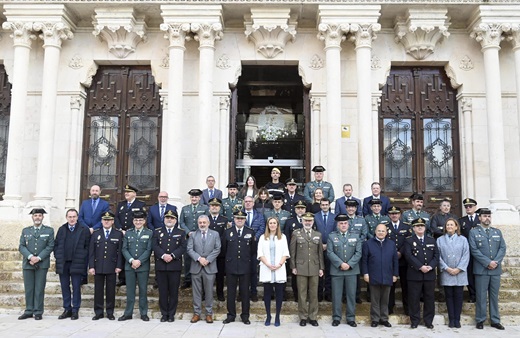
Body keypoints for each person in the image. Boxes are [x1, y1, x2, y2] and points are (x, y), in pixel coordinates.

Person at [468, 208, 506, 330]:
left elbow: (502, 248)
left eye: (488, 216)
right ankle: (480, 319)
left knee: (494, 296)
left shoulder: (497, 232)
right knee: (481, 296)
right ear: (479, 218)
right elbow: (474, 250)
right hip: (481, 270)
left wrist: (495, 262)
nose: (487, 218)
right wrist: (487, 262)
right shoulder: (473, 232)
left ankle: (495, 320)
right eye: (484, 216)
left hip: (495, 269)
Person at [18, 208, 55, 320]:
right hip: (28, 263)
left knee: (39, 288)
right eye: (35, 215)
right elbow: (21, 246)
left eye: (39, 215)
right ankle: (29, 310)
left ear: (43, 217)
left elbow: (50, 246)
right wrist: (30, 257)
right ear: (32, 217)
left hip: (42, 264)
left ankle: (38, 311)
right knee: (29, 288)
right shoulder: (26, 231)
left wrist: (38, 258)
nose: (37, 217)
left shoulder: (49, 231)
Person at [53, 209, 90, 320]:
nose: (72, 219)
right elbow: (56, 245)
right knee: (65, 287)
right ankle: (67, 309)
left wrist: (83, 258)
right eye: (70, 217)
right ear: (66, 217)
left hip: (77, 263)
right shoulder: (62, 229)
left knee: (76, 287)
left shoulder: (84, 230)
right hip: (63, 263)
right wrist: (58, 256)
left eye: (74, 216)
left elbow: (87, 247)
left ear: (77, 217)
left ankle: (75, 310)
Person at [222, 210, 257, 325]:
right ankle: (231, 315)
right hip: (231, 266)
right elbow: (224, 250)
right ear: (234, 219)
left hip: (245, 266)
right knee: (231, 293)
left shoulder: (250, 232)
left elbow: (253, 250)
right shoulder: (228, 232)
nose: (240, 220)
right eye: (237, 218)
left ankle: (245, 316)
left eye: (242, 218)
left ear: (245, 220)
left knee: (245, 292)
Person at [289, 212, 324, 327]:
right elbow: (292, 251)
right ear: (302, 221)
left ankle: (313, 317)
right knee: (302, 294)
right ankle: (303, 317)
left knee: (314, 294)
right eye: (306, 220)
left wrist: (321, 268)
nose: (308, 222)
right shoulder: (296, 234)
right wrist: (293, 266)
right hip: (301, 267)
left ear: (313, 222)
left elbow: (320, 253)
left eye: (310, 221)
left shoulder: (318, 234)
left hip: (314, 267)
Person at [327, 214, 362, 327]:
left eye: (345, 223)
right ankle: (336, 317)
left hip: (351, 270)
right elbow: (330, 252)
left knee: (351, 295)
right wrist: (341, 264)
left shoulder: (356, 236)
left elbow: (358, 253)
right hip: (337, 270)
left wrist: (349, 264)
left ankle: (351, 317)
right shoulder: (331, 236)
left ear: (349, 224)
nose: (343, 225)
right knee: (336, 295)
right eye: (341, 223)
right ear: (337, 225)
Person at [403, 217, 438, 329]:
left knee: (429, 298)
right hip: (414, 274)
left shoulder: (431, 240)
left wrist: (431, 266)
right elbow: (408, 256)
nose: (420, 228)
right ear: (413, 228)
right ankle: (415, 320)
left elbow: (436, 256)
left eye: (422, 226)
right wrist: (420, 267)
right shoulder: (408, 240)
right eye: (417, 226)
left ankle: (428, 321)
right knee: (414, 299)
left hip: (429, 274)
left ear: (425, 227)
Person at [119, 210, 153, 322]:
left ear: (144, 221)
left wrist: (139, 261)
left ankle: (144, 313)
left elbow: (149, 250)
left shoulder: (149, 233)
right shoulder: (128, 233)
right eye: (136, 220)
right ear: (133, 221)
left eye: (140, 220)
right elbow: (124, 249)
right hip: (130, 266)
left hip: (143, 267)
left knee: (143, 290)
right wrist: (132, 260)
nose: (138, 222)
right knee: (130, 291)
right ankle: (128, 313)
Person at [362, 224, 399, 328]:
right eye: (379, 231)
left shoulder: (391, 244)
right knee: (375, 299)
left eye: (383, 231)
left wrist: (395, 274)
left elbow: (395, 260)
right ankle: (375, 319)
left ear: (386, 233)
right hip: (373, 275)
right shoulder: (368, 244)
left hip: (388, 275)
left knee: (385, 299)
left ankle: (384, 318)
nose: (381, 233)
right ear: (375, 231)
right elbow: (364, 261)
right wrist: (365, 273)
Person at [153, 210, 187, 322]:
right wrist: (163, 255)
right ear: (164, 219)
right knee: (162, 291)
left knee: (173, 291)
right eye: (167, 218)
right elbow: (155, 245)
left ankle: (171, 314)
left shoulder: (181, 232)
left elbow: (183, 246)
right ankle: (164, 314)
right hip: (161, 266)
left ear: (175, 220)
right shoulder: (157, 232)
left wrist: (172, 255)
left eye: (172, 218)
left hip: (174, 266)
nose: (169, 220)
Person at [186, 215, 221, 324]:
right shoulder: (193, 235)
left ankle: (209, 313)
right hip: (196, 266)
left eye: (204, 222)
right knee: (196, 292)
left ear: (208, 223)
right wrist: (199, 258)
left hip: (209, 267)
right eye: (200, 222)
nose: (202, 224)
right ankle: (197, 313)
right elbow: (189, 249)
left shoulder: (215, 234)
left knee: (209, 291)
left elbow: (217, 248)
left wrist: (208, 260)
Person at [89, 211, 123, 320]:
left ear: (113, 221)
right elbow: (91, 252)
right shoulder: (96, 233)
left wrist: (118, 266)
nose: (106, 222)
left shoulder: (118, 234)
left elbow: (120, 252)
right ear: (101, 221)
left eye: (109, 220)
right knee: (98, 290)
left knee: (110, 290)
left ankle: (109, 312)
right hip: (98, 266)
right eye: (105, 220)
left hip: (111, 266)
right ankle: (98, 312)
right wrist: (91, 266)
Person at [437, 218, 470, 328]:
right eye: (448, 225)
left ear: (456, 227)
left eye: (452, 225)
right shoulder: (440, 240)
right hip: (447, 272)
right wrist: (446, 268)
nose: (450, 227)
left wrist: (459, 268)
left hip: (459, 273)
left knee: (459, 296)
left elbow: (466, 255)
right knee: (449, 296)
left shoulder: (463, 239)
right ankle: (451, 319)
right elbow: (438, 256)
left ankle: (457, 319)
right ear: (445, 228)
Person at [257, 217, 290, 327]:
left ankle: (277, 317)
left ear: (277, 225)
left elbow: (285, 252)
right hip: (267, 268)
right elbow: (260, 253)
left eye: (274, 223)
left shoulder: (283, 237)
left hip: (279, 269)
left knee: (279, 295)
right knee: (267, 294)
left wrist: (279, 264)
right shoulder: (263, 237)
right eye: (270, 223)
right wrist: (268, 264)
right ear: (267, 225)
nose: (272, 225)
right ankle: (268, 316)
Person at [114, 184, 146, 286]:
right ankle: (122, 278)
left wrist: (130, 230)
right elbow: (116, 218)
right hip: (122, 233)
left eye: (129, 192)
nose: (126, 193)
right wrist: (120, 229)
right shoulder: (121, 204)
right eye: (125, 192)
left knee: (133, 254)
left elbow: (141, 219)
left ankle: (134, 277)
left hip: (134, 233)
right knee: (123, 254)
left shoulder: (140, 205)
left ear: (134, 194)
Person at [179, 188, 210, 288]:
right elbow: (182, 222)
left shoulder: (205, 208)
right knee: (188, 258)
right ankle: (188, 279)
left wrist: (197, 232)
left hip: (200, 237)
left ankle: (200, 278)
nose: (194, 198)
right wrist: (188, 232)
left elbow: (206, 222)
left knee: (200, 257)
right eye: (192, 197)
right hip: (188, 237)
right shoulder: (185, 208)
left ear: (199, 198)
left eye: (196, 197)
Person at [385, 206, 411, 315]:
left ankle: (407, 309)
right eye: (392, 214)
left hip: (403, 260)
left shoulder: (406, 227)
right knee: (390, 285)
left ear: (400, 215)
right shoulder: (385, 227)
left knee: (406, 285)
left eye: (396, 213)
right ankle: (389, 308)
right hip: (390, 260)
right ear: (389, 215)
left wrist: (401, 252)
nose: (394, 215)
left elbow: (408, 241)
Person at [243, 195, 266, 301]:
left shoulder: (259, 215)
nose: (248, 203)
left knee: (253, 271)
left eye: (250, 201)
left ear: (253, 203)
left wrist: (255, 237)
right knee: (242, 271)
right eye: (246, 201)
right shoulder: (239, 214)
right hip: (241, 247)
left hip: (254, 247)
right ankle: (242, 293)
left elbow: (262, 228)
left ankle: (253, 293)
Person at [283, 199, 307, 301]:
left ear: (305, 210)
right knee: (294, 275)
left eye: (302, 208)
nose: (300, 210)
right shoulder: (290, 222)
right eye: (298, 208)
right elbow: (287, 238)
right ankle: (296, 295)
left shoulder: (309, 220)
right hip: (294, 253)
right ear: (295, 210)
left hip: (307, 252)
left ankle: (306, 295)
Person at [313, 198, 336, 302]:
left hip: (330, 248)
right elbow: (313, 231)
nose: (324, 206)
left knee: (329, 271)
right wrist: (320, 244)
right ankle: (318, 294)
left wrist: (328, 244)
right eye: (323, 205)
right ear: (320, 205)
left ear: (329, 205)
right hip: (318, 247)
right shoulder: (315, 216)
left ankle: (328, 293)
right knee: (319, 271)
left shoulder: (334, 217)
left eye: (326, 204)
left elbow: (335, 232)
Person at [208, 197, 228, 301]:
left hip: (221, 252)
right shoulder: (205, 219)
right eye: (212, 206)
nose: (214, 207)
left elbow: (225, 236)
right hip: (207, 252)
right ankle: (206, 293)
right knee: (207, 275)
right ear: (209, 207)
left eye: (216, 206)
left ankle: (220, 293)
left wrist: (218, 248)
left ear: (219, 208)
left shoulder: (224, 220)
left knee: (220, 274)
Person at [459, 198, 479, 303]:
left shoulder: (480, 219)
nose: (468, 208)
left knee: (480, 274)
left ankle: (481, 294)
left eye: (470, 206)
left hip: (479, 252)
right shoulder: (461, 221)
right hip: (468, 252)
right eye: (466, 206)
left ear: (475, 207)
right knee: (470, 274)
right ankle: (473, 295)